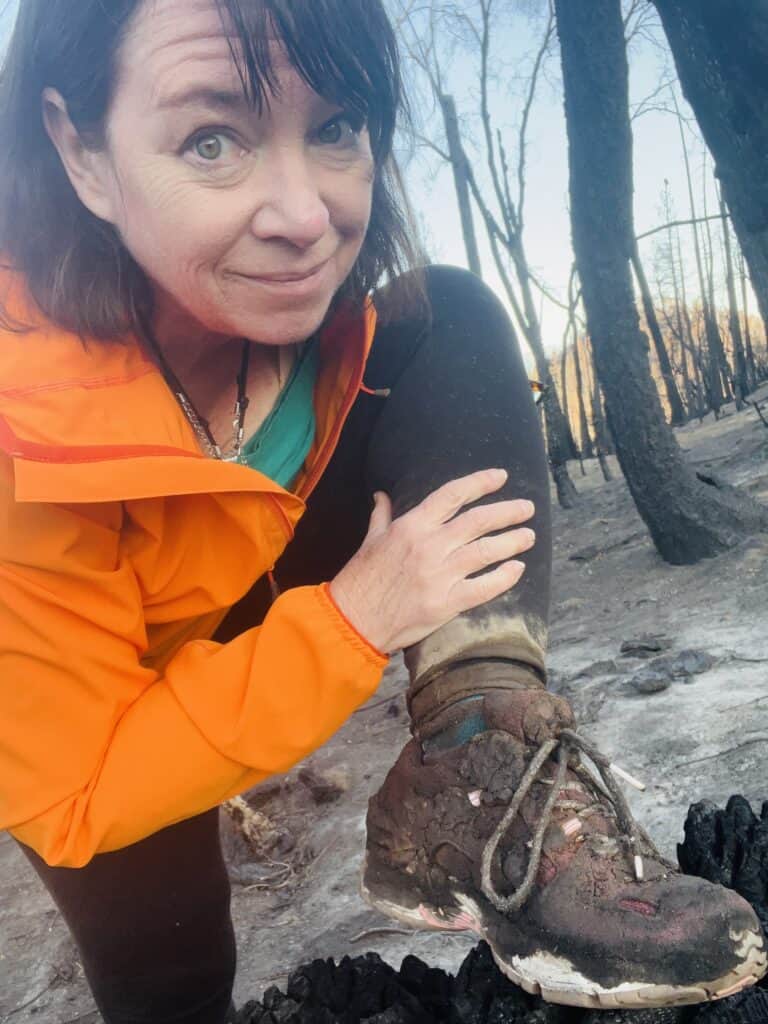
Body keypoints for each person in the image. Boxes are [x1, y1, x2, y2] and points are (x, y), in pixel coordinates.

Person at [0, 1, 764, 1021]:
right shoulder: (21, 429)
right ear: (81, 150)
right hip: (99, 716)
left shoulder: (334, 333)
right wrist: (352, 620)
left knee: (442, 314)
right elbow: (75, 793)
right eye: (211, 139)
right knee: (168, 971)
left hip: (268, 568)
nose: (306, 215)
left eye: (335, 128)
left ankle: (476, 758)